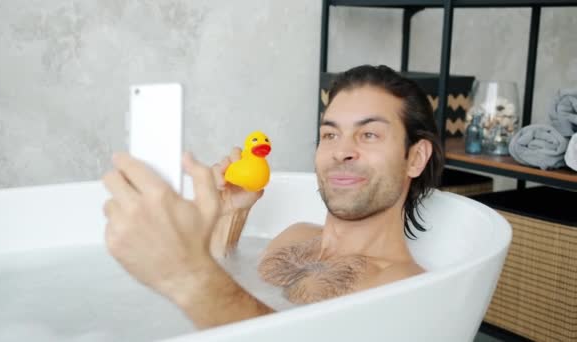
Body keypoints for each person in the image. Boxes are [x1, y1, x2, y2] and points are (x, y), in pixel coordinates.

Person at [102, 65, 444, 329]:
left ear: (414, 158)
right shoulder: (294, 237)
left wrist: (189, 276)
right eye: (330, 134)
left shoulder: (406, 287)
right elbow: (233, 291)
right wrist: (228, 218)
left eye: (368, 134)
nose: (341, 151)